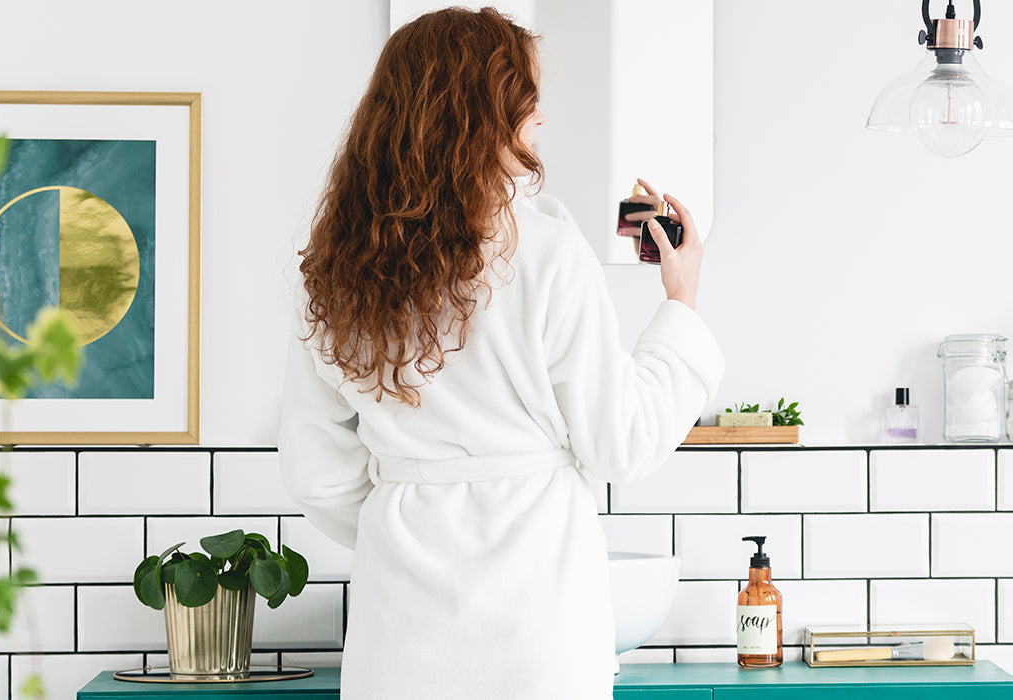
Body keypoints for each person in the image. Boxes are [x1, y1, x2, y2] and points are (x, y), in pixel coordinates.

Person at [278, 7, 723, 699]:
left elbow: (318, 475)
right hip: (537, 630)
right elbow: (624, 443)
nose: (540, 117)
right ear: (481, 112)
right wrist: (681, 300)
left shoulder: (341, 268)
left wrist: (416, 507)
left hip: (401, 634)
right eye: (526, 96)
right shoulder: (545, 251)